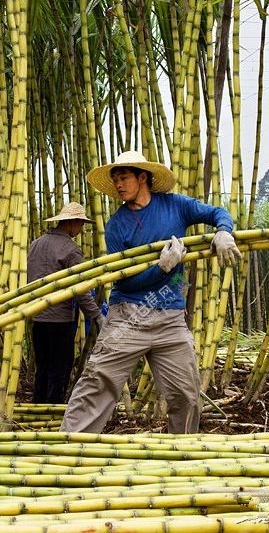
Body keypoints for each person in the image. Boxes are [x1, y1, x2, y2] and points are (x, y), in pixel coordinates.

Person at [61, 151, 242, 434]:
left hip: (169, 317)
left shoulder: (176, 206)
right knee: (97, 381)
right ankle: (69, 448)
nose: (118, 185)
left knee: (186, 393)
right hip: (128, 317)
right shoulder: (117, 225)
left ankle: (181, 453)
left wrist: (223, 231)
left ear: (142, 177)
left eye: (124, 178)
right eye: (115, 180)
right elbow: (126, 281)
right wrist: (162, 268)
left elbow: (217, 212)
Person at [27, 202, 106, 404]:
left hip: (36, 316)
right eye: (80, 225)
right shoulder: (71, 250)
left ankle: (38, 407)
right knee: (59, 367)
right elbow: (80, 290)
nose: (80, 230)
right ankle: (52, 410)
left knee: (43, 365)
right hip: (59, 320)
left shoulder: (36, 244)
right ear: (71, 223)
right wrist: (96, 316)